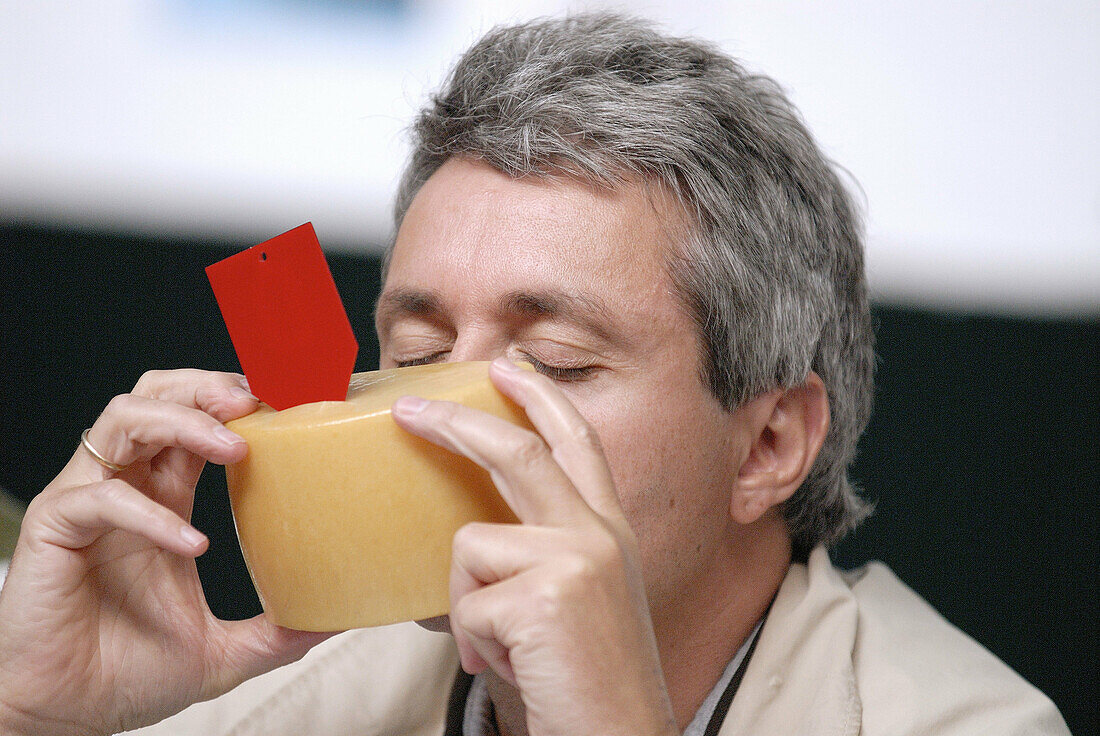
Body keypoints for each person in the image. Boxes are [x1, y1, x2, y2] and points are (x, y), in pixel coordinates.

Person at [0, 13, 1069, 736]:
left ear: (770, 442)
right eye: (414, 355)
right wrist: (35, 715)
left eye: (553, 363)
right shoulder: (293, 702)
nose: (437, 414)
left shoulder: (964, 725)